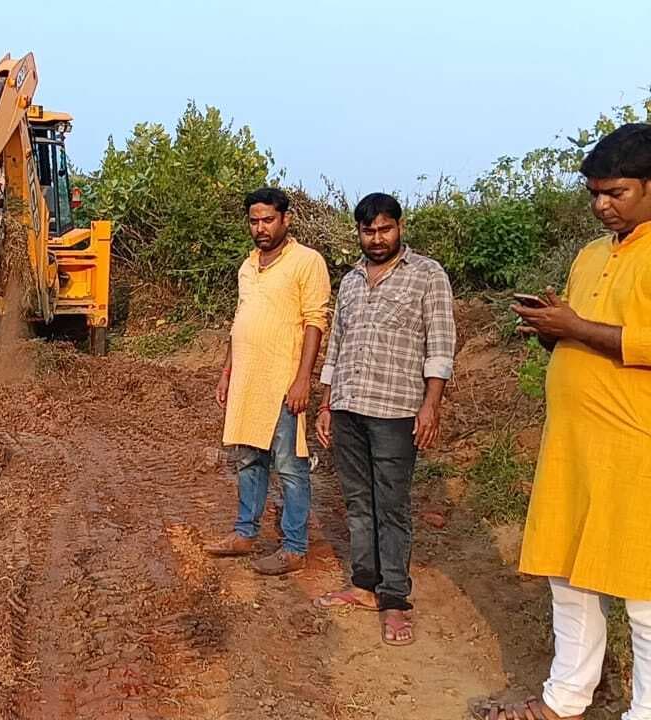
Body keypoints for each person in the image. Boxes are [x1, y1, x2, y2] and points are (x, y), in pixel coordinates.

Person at [473, 123, 651, 720]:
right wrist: (554, 331)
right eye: (594, 193)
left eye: (616, 193)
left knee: (643, 592)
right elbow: (588, 335)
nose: (602, 205)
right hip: (574, 442)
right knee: (567, 574)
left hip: (636, 447)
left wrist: (574, 328)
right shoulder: (590, 254)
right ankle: (565, 697)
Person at [312, 192, 456, 647]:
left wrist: (430, 404)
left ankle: (395, 600)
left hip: (397, 410)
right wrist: (326, 403)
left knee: (391, 507)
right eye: (368, 231)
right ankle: (363, 585)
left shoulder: (427, 275)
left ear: (400, 227)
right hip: (350, 407)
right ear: (359, 233)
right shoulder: (352, 279)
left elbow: (440, 345)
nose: (377, 239)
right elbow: (337, 344)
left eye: (385, 229)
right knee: (357, 503)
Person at [206, 187, 331, 576]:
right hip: (247, 381)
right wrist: (228, 372)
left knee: (290, 465)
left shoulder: (306, 262)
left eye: (268, 220)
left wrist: (302, 380)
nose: (260, 228)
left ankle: (294, 546)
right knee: (248, 459)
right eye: (254, 220)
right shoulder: (248, 266)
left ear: (285, 219)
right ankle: (245, 533)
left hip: (282, 381)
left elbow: (315, 322)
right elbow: (238, 322)